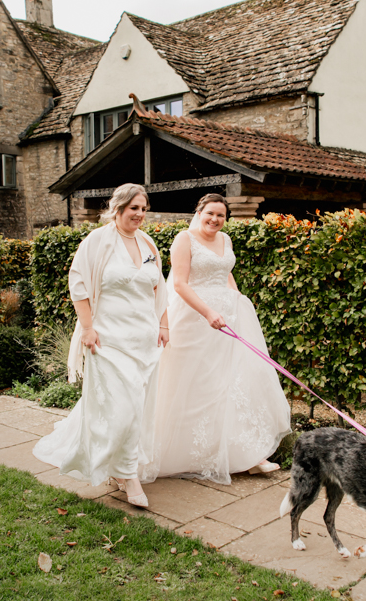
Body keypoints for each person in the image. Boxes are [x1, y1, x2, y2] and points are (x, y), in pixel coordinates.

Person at [33, 183, 169, 508]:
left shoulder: (148, 243)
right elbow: (78, 282)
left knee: (137, 407)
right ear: (118, 208)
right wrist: (88, 328)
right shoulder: (98, 241)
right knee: (122, 408)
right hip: (108, 338)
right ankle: (127, 474)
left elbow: (158, 286)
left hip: (144, 339)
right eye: (134, 208)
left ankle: (123, 470)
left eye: (143, 208)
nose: (139, 214)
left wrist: (163, 324)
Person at [139, 194, 291, 485]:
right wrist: (208, 312)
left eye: (221, 215)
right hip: (194, 318)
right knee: (196, 383)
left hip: (228, 319)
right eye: (210, 213)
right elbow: (180, 284)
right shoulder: (184, 239)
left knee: (232, 382)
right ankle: (182, 451)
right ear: (199, 212)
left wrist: (236, 301)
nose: (215, 220)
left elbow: (226, 275)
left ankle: (245, 454)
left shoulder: (226, 240)